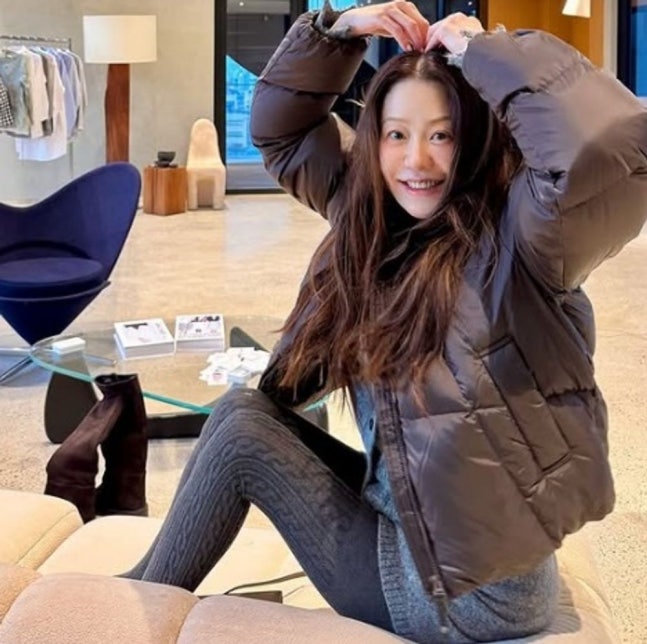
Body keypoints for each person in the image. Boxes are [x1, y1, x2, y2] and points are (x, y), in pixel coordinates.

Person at [122, 2, 647, 641]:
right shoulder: (370, 216)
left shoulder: (527, 243)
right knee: (242, 412)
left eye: (441, 135)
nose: (415, 161)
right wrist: (338, 29)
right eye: (397, 135)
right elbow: (282, 134)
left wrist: (484, 52)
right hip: (419, 531)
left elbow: (606, 152)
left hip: (474, 597)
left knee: (239, 434)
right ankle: (132, 596)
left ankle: (126, 612)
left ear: (474, 139)